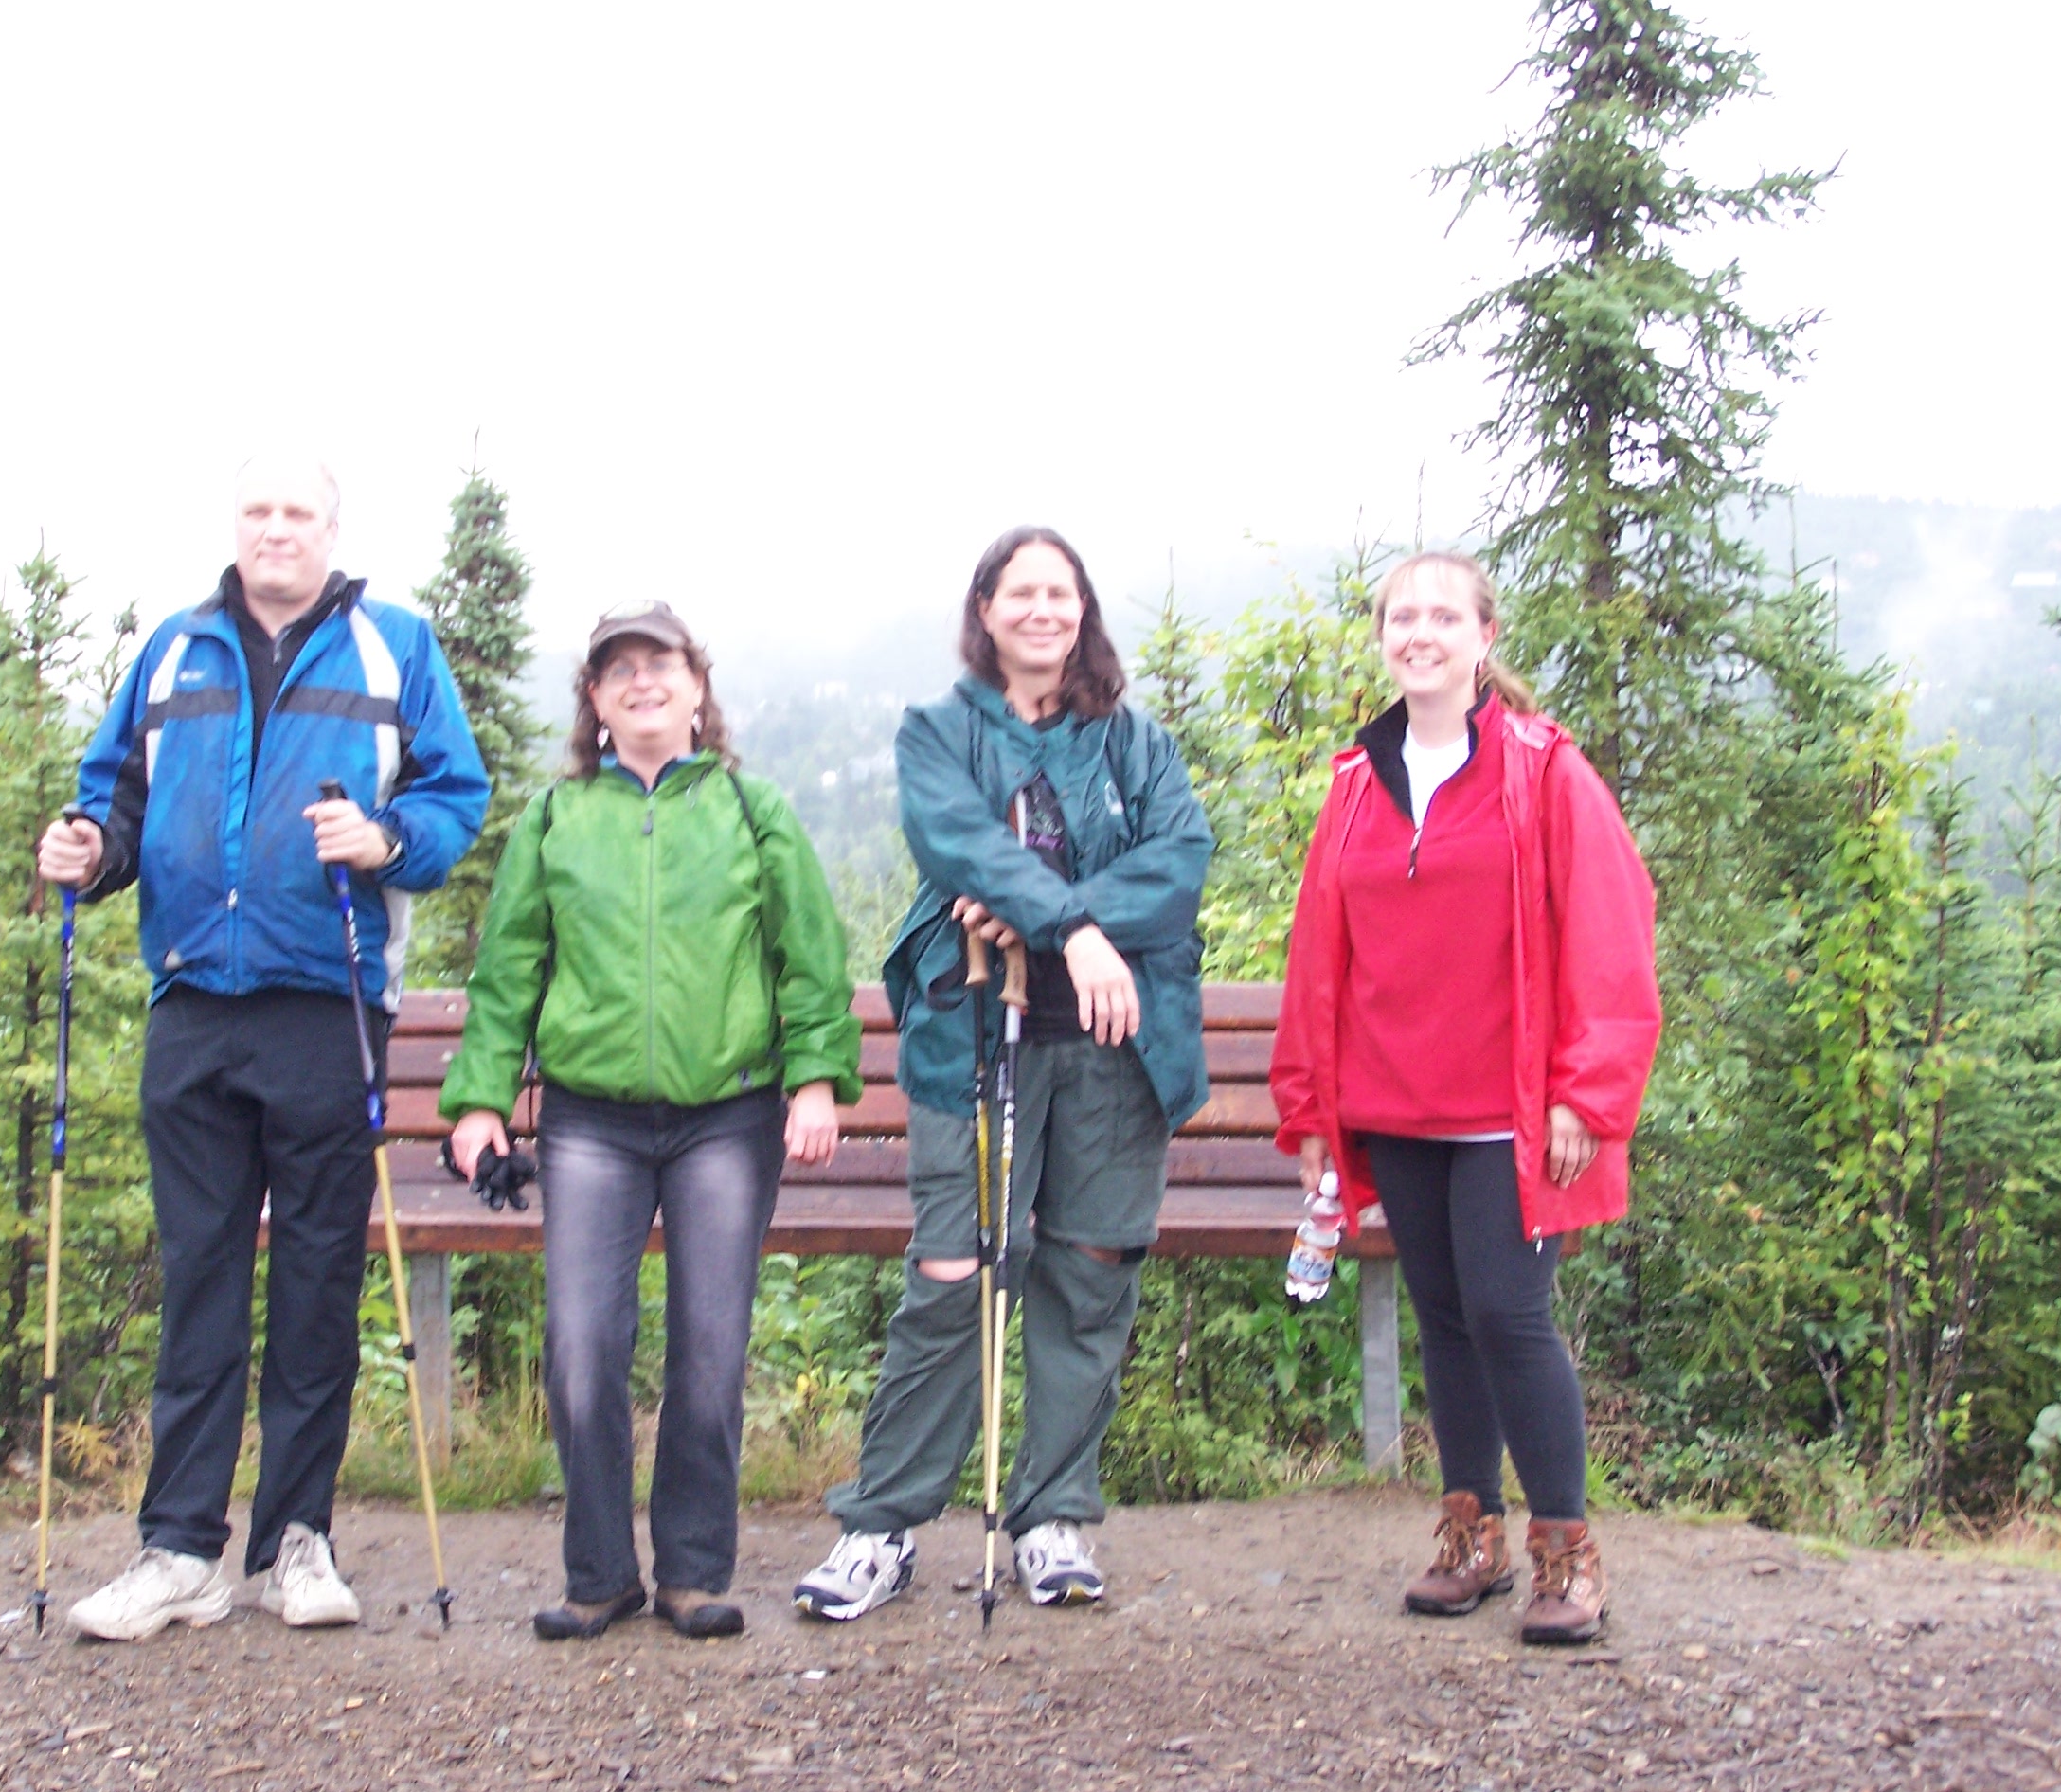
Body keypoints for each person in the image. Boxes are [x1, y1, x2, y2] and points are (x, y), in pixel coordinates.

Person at [38, 455, 491, 1641]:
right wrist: (88, 845)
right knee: (198, 1281)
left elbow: (456, 797)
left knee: (316, 1282)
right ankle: (178, 1551)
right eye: (258, 510)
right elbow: (115, 798)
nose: (275, 529)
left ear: (332, 531)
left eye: (298, 512)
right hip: (192, 1000)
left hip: (329, 1001)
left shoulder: (395, 646)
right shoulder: (173, 650)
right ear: (235, 527)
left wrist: (384, 838)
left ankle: (299, 1541)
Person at [794, 526, 1212, 1622]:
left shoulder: (1133, 742)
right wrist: (1075, 928)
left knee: (1089, 1275)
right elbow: (957, 846)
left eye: (1058, 593)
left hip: (1119, 1048)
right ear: (984, 610)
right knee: (956, 1273)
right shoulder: (938, 732)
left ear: (1082, 611)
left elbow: (1180, 860)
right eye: (1018, 592)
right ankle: (880, 1525)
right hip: (974, 1039)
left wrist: (1064, 925)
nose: (1040, 610)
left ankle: (1051, 1516)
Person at [440, 600, 862, 1642]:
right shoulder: (555, 818)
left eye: (659, 663)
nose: (641, 681)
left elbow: (809, 958)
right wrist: (481, 1100)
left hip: (728, 1116)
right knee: (582, 1349)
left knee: (709, 1352)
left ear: (696, 686)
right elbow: (507, 973)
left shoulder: (752, 810)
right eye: (618, 669)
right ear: (593, 698)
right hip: (589, 1121)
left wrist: (815, 1079)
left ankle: (692, 1574)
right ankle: (598, 1576)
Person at [1269, 550, 1658, 1645]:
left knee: (1504, 1312)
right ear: (1381, 639)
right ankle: (1470, 1533)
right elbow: (1317, 954)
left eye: (1444, 616)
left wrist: (1586, 1094)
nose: (1420, 633)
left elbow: (1613, 930)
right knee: (1443, 1316)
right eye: (1402, 617)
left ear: (1484, 637)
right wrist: (1311, 1109)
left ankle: (1565, 1552)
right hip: (1394, 1102)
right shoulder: (1356, 780)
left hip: (1510, 1109)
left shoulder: (1543, 769)